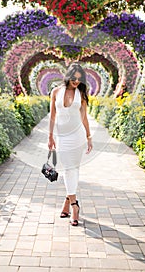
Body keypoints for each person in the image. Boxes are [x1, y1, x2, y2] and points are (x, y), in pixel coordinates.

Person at [48, 63, 93, 226]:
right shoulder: (55, 92)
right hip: (62, 137)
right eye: (73, 78)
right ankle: (74, 204)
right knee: (68, 169)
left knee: (72, 169)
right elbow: (52, 116)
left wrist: (89, 136)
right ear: (68, 76)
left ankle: (70, 204)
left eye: (79, 80)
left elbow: (84, 117)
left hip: (78, 136)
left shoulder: (80, 93)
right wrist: (50, 136)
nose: (75, 81)